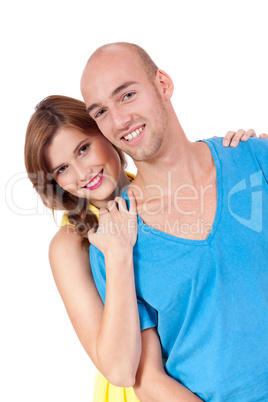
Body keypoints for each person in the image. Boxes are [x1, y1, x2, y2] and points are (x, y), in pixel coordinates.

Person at [24, 94, 260, 402]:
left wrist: (244, 157)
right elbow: (120, 370)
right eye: (62, 169)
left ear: (106, 132)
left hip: (204, 381)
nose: (83, 174)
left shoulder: (163, 186)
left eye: (84, 149)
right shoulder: (71, 244)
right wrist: (118, 253)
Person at [80, 42, 268, 401]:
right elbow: (145, 379)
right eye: (101, 112)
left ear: (162, 84)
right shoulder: (117, 239)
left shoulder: (254, 158)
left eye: (128, 95)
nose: (119, 121)